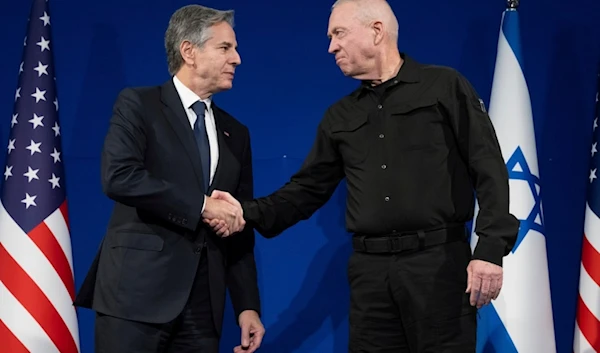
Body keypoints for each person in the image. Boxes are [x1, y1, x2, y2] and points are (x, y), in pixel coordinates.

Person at [207, 0, 520, 352]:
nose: (331, 46)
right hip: (370, 277)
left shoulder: (444, 87)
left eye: (338, 33)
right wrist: (244, 212)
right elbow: (306, 190)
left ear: (376, 31)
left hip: (439, 267)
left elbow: (488, 167)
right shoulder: (340, 117)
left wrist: (490, 249)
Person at [73, 5, 264, 353]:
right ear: (189, 51)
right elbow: (119, 177)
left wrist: (248, 305)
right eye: (225, 48)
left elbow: (237, 222)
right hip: (135, 298)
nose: (237, 58)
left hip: (204, 306)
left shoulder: (237, 133)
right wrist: (203, 207)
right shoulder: (139, 105)